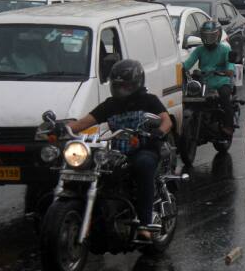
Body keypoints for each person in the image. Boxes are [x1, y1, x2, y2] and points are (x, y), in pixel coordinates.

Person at [65, 59, 172, 242]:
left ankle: (144, 223)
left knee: (143, 164)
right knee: (90, 167)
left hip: (144, 148)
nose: (121, 89)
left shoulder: (148, 101)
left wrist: (158, 132)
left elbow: (166, 120)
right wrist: (63, 129)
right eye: (117, 85)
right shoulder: (110, 105)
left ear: (136, 84)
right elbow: (83, 123)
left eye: (126, 85)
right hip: (117, 152)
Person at [182, 21, 235, 136]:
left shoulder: (225, 49)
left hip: (221, 81)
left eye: (211, 36)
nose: (208, 39)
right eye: (205, 36)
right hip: (204, 82)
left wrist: (228, 71)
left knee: (225, 97)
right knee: (189, 99)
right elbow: (187, 64)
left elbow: (230, 65)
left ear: (218, 35)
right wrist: (179, 68)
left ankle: (228, 125)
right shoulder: (199, 50)